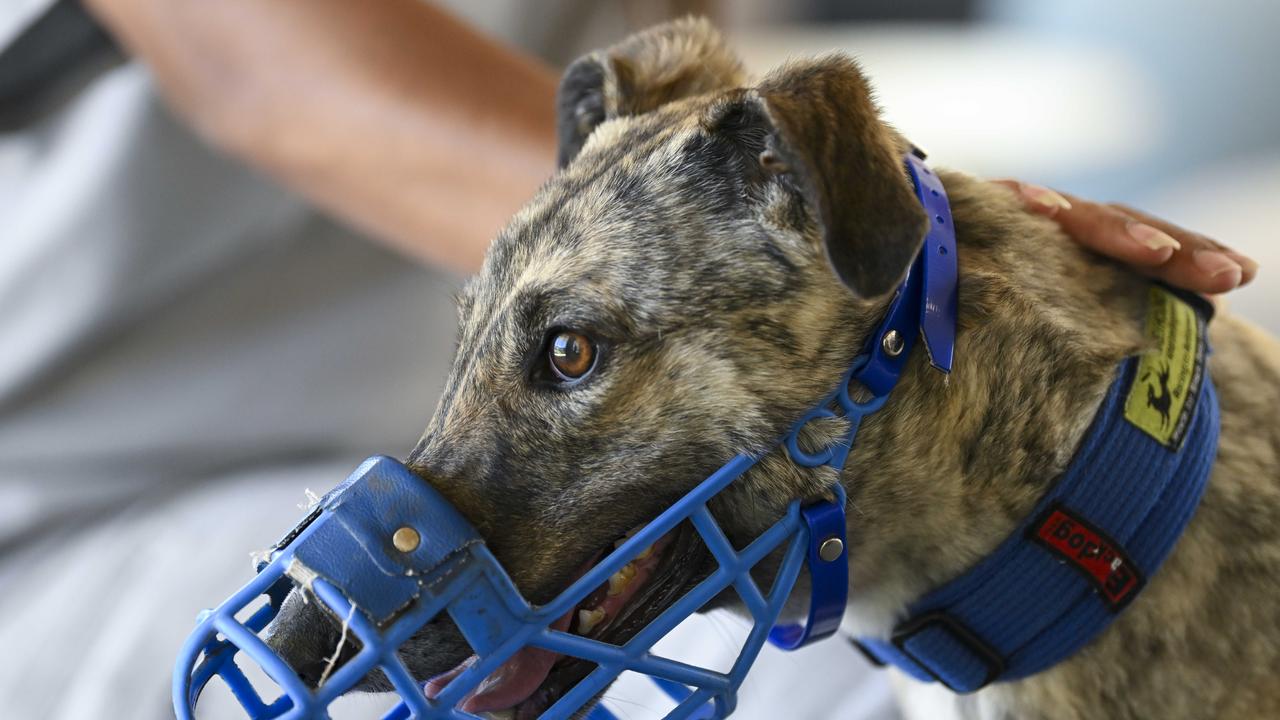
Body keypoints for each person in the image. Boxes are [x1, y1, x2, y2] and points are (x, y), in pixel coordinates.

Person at [0, 2, 1258, 719]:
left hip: (434, 427)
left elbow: (688, 81)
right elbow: (277, 82)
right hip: (73, 491)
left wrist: (905, 221)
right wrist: (877, 231)